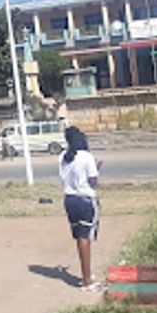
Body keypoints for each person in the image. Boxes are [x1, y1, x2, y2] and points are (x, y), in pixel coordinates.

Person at [58, 125, 102, 291]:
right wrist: (97, 169)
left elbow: (66, 179)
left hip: (69, 200)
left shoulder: (62, 156)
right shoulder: (87, 157)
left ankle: (87, 274)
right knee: (85, 238)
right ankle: (87, 281)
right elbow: (93, 182)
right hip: (85, 200)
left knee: (80, 237)